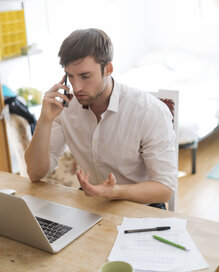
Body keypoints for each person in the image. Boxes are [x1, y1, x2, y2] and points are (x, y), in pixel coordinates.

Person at [25, 28, 177, 207]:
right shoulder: (65, 107)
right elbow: (35, 173)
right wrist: (44, 120)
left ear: (108, 69)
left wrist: (115, 192)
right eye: (70, 76)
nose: (77, 87)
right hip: (92, 202)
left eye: (85, 76)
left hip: (140, 205)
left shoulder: (149, 112)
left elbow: (165, 187)